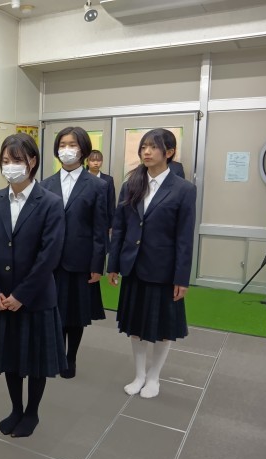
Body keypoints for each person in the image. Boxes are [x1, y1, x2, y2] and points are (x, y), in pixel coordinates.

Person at [0, 133, 67, 438]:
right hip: (1, 297)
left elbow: (49, 256)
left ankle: (32, 412)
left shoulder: (51, 203)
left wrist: (22, 295)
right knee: (11, 357)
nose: (10, 166)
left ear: (32, 161)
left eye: (16, 160)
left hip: (35, 297)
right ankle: (16, 408)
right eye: (5, 160)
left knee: (36, 360)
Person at [107, 128, 196, 399]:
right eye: (143, 146)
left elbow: (184, 237)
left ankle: (154, 376)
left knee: (162, 328)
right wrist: (113, 264)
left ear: (169, 152)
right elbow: (120, 227)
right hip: (133, 267)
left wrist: (181, 278)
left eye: (153, 147)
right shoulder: (131, 184)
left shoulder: (184, 189)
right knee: (135, 327)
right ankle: (139, 375)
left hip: (163, 271)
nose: (146, 151)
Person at [41, 127, 108, 379]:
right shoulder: (45, 184)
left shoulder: (98, 186)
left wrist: (97, 264)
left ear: (83, 150)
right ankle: (57, 354)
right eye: (62, 145)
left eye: (72, 145)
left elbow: (100, 228)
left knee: (76, 314)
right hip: (52, 261)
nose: (66, 149)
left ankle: (72, 357)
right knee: (54, 310)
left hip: (81, 260)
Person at [87, 149, 116, 229]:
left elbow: (111, 203)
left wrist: (111, 224)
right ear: (87, 162)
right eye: (92, 160)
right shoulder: (81, 178)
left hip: (102, 220)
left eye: (99, 160)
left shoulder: (108, 180)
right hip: (84, 219)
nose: (96, 163)